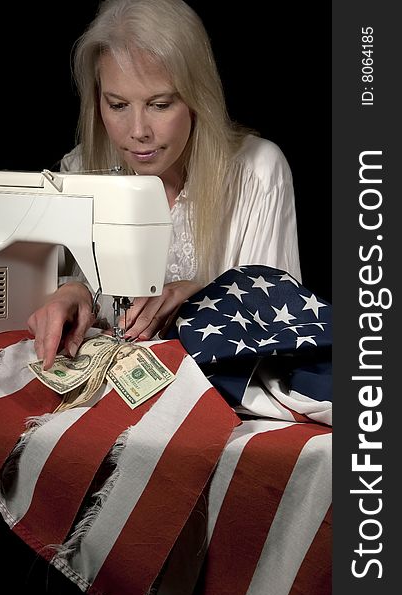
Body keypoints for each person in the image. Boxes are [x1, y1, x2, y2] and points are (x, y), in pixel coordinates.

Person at [27, 0, 301, 370]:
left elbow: (282, 330)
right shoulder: (79, 169)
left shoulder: (257, 173)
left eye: (159, 104)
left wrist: (207, 300)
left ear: (196, 98)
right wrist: (73, 292)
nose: (138, 131)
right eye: (118, 104)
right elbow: (53, 288)